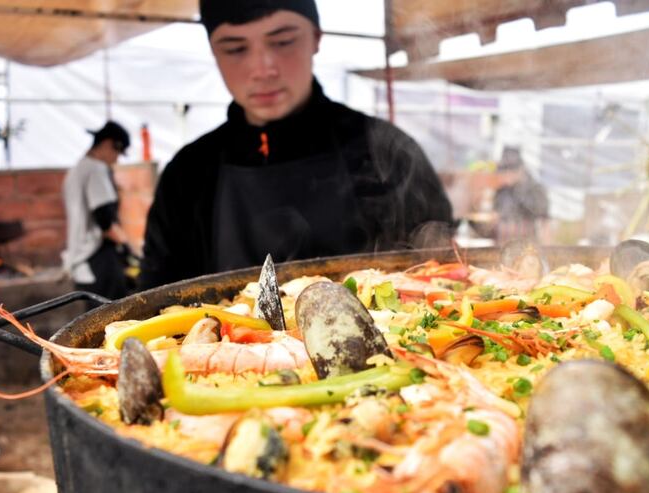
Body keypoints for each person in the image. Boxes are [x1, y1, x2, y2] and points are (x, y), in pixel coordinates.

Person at [139, 0, 453, 289]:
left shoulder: (384, 151)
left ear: (316, 37)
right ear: (213, 51)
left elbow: (440, 271)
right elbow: (155, 298)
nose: (263, 69)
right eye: (235, 49)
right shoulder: (189, 174)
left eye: (283, 42)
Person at [62, 121, 135, 300]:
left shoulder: (75, 171)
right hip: (97, 258)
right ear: (108, 144)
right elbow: (105, 219)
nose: (116, 159)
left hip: (81, 259)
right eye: (117, 152)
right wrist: (130, 249)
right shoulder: (96, 169)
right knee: (113, 312)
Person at [492, 147, 549, 245]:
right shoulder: (501, 190)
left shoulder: (535, 189)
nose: (506, 176)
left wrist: (545, 245)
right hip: (502, 244)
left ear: (520, 170)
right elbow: (495, 212)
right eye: (504, 171)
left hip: (526, 245)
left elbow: (545, 220)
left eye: (509, 171)